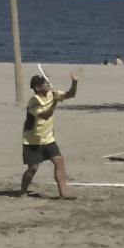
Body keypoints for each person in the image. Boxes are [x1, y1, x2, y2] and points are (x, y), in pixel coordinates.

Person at [20, 71, 81, 199]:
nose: (48, 85)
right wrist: (55, 102)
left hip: (48, 138)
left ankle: (63, 193)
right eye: (45, 83)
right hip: (33, 140)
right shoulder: (34, 101)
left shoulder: (51, 93)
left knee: (59, 161)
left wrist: (74, 82)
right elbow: (45, 116)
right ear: (37, 88)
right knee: (33, 169)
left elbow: (71, 94)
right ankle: (23, 191)